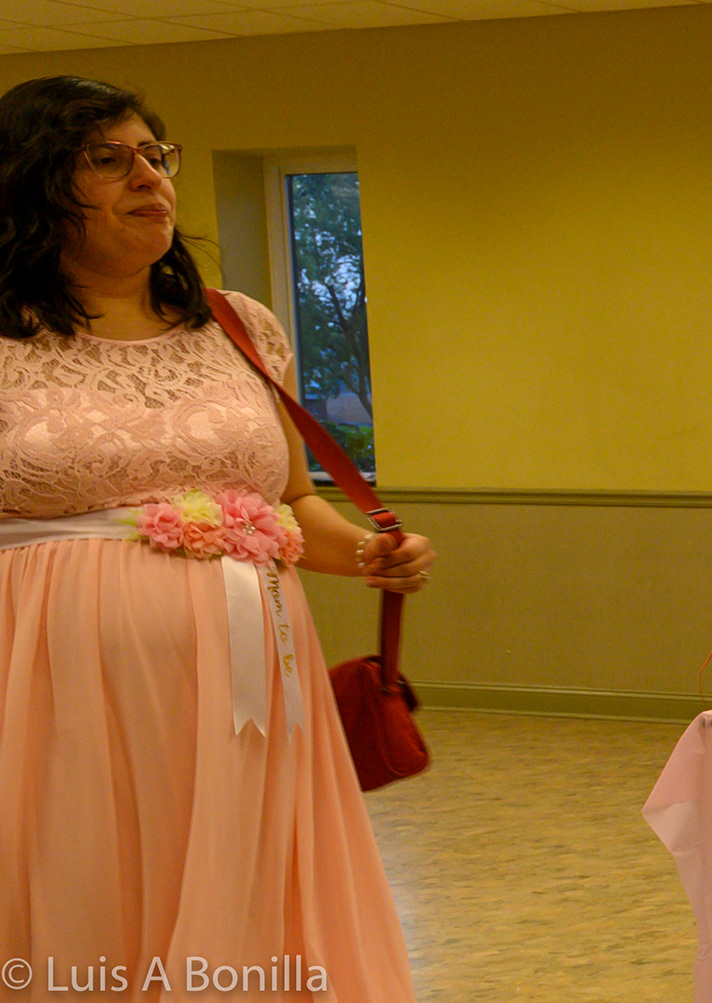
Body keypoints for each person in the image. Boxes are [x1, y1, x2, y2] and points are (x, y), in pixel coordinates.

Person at [0, 77, 433, 1000]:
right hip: (49, 691)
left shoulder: (238, 325)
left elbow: (290, 501)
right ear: (31, 184)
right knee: (81, 887)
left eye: (156, 156)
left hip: (247, 689)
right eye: (108, 160)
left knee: (250, 892)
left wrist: (367, 551)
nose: (149, 179)